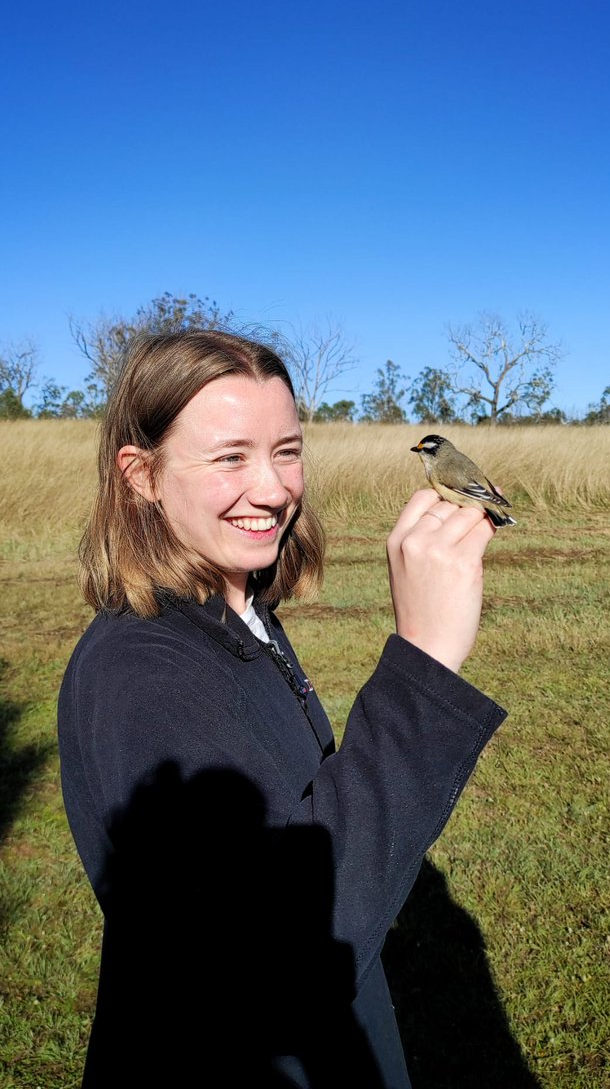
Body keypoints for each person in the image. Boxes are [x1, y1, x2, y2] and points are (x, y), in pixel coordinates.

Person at [58, 329, 506, 1088]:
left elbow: (302, 832)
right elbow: (279, 964)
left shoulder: (236, 615)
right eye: (229, 456)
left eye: (287, 451)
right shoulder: (143, 674)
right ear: (141, 476)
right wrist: (423, 666)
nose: (271, 489)